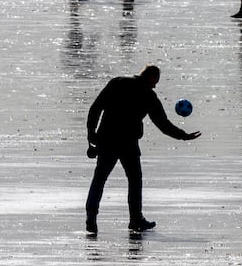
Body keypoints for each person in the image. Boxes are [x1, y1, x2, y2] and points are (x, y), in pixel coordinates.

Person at [85, 65, 201, 234]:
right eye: (156, 82)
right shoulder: (148, 95)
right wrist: (184, 136)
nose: (155, 86)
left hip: (107, 138)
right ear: (152, 78)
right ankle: (135, 219)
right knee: (134, 180)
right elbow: (163, 124)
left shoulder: (117, 83)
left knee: (100, 178)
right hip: (128, 143)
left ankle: (91, 217)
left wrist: (91, 134)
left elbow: (96, 108)